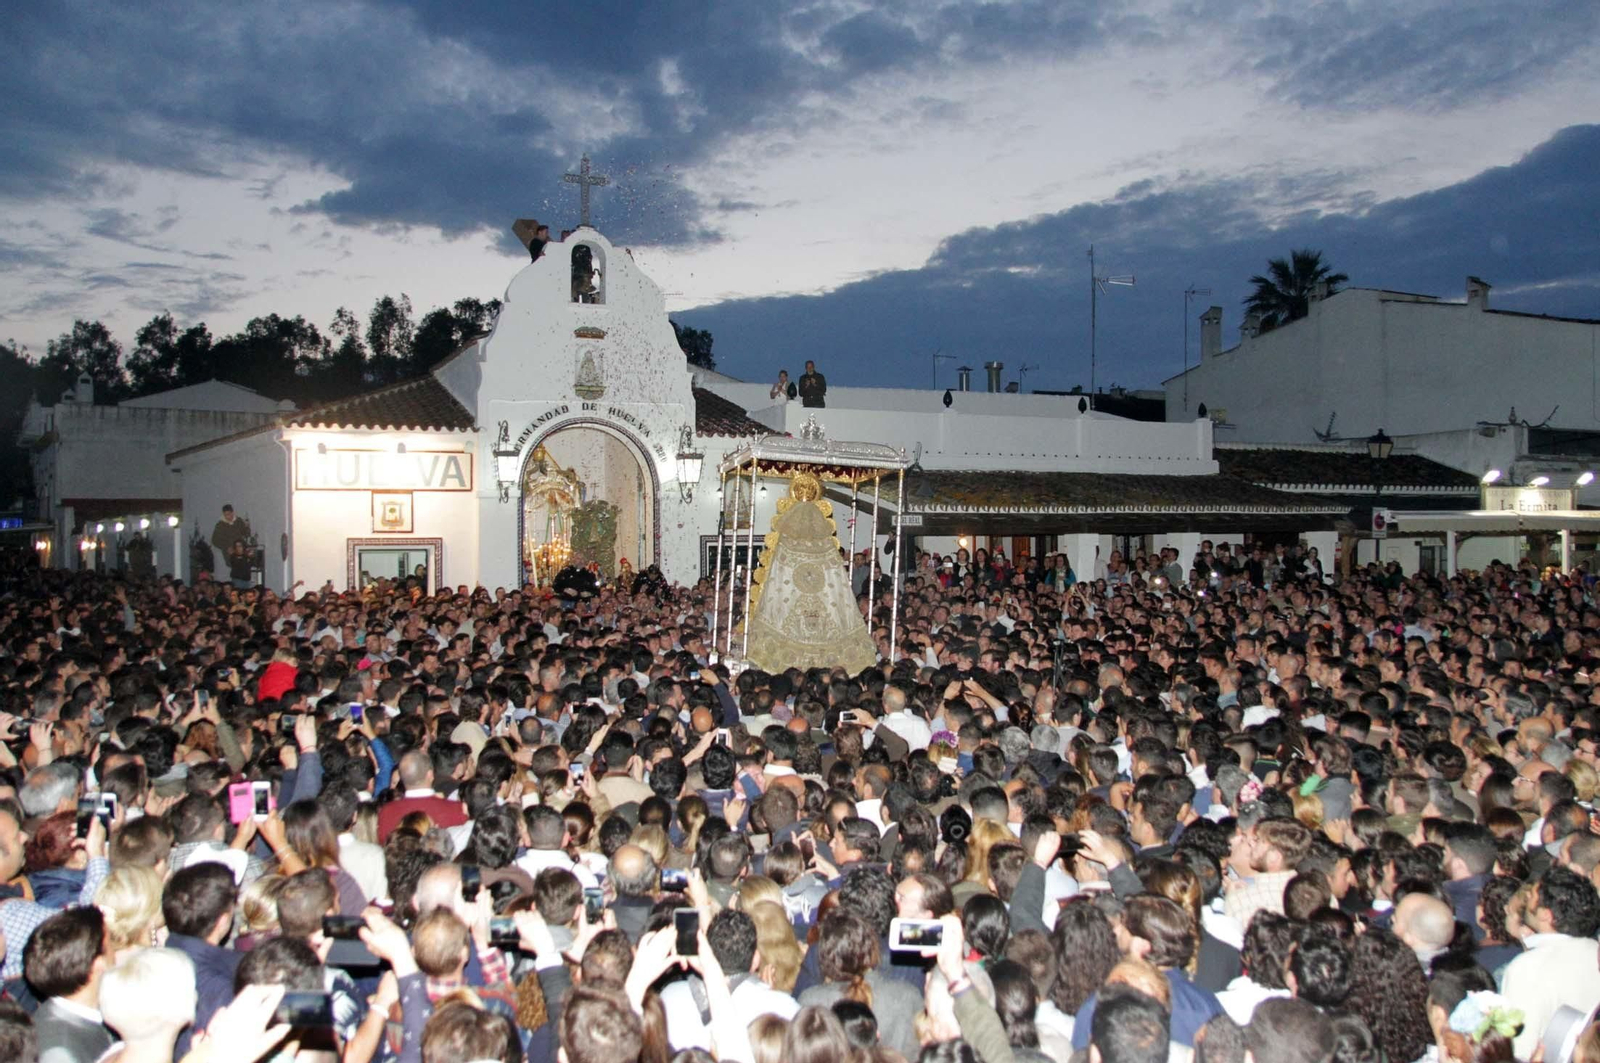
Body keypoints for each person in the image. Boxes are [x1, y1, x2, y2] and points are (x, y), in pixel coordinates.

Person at [24, 907, 114, 1063]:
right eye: (112, 940)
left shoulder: (89, 1011)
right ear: (98, 965)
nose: (117, 948)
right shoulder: (59, 1052)